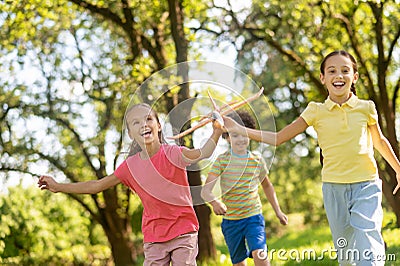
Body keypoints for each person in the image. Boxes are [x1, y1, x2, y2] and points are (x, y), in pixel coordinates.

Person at [223, 50, 400, 266]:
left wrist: (398, 169)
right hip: (334, 188)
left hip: (367, 184)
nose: (339, 75)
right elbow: (278, 138)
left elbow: (380, 141)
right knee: (346, 256)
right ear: (323, 78)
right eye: (332, 71)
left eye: (345, 70)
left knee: (368, 243)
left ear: (354, 77)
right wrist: (240, 130)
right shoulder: (316, 111)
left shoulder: (366, 107)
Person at [38, 103, 223, 266]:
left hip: (183, 230)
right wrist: (59, 186)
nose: (143, 124)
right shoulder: (130, 167)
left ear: (158, 126)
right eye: (136, 122)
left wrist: (216, 131)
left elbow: (204, 152)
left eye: (148, 118)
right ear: (130, 133)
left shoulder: (174, 153)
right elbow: (96, 185)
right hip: (154, 236)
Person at [201, 110, 288, 266]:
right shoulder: (221, 161)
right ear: (226, 137)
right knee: (239, 263)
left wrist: (278, 211)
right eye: (234, 135)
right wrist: (215, 202)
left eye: (243, 134)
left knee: (260, 255)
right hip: (231, 221)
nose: (240, 139)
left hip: (253, 217)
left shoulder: (257, 160)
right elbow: (205, 191)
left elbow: (267, 187)